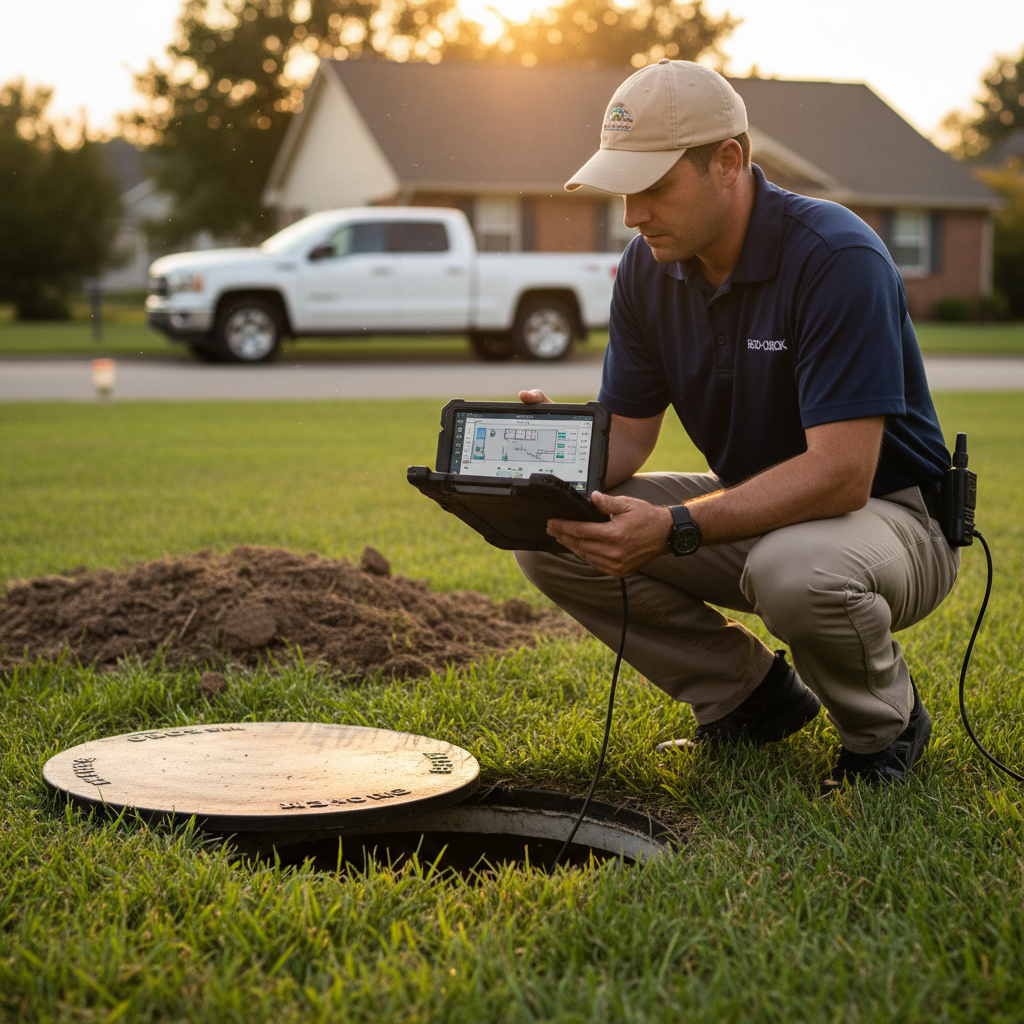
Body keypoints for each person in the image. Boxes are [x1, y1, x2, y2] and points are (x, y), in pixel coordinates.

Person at [514, 60, 960, 793]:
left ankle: (884, 729)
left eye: (654, 187)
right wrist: (544, 461)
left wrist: (675, 527)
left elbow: (843, 474)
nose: (632, 215)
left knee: (795, 570)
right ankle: (749, 699)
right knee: (558, 532)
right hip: (758, 510)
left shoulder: (835, 257)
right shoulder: (649, 268)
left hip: (894, 517)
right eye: (623, 189)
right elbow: (628, 436)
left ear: (728, 161)